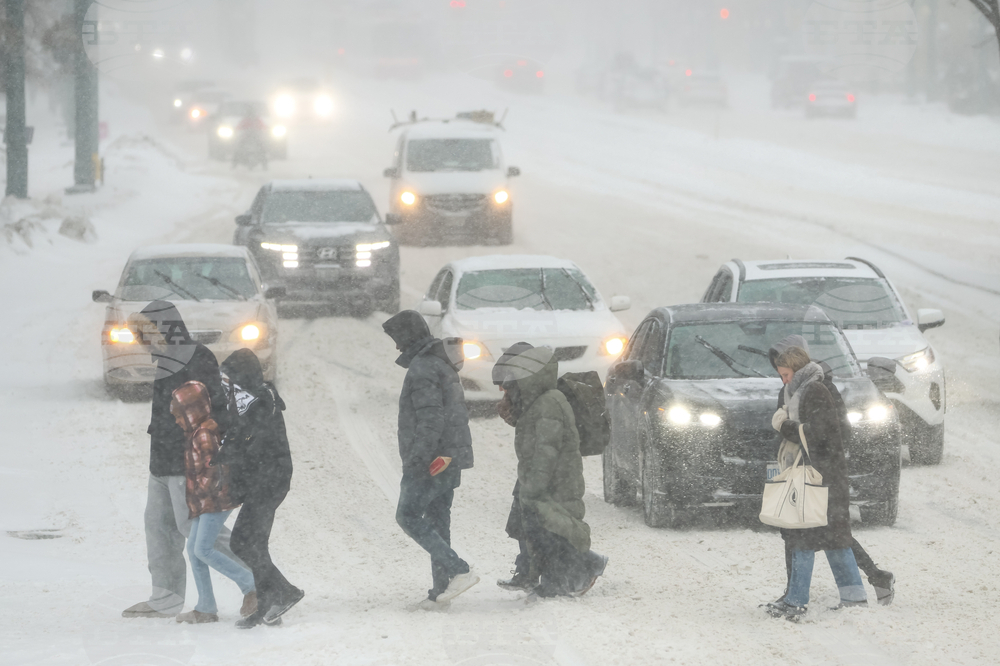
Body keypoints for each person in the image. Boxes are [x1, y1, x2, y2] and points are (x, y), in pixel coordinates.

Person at [121, 301, 249, 619]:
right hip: (161, 461)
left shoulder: (197, 357)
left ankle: (262, 582)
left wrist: (207, 456)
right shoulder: (163, 359)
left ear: (167, 330)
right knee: (160, 529)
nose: (143, 341)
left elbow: (214, 409)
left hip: (187, 462)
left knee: (201, 533)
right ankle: (165, 597)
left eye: (146, 333)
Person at [768, 335, 896, 606]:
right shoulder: (793, 390)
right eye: (779, 373)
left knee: (806, 536)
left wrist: (786, 428)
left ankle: (796, 598)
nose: (783, 380)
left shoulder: (816, 389)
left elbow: (830, 432)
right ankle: (860, 591)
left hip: (819, 474)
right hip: (807, 471)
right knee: (831, 536)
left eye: (785, 373)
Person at [493, 343, 607, 595]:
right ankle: (542, 575)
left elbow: (547, 448)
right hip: (543, 475)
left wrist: (535, 484)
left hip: (555, 477)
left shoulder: (548, 401)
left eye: (509, 383)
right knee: (540, 525)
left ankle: (566, 575)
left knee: (553, 528)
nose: (506, 389)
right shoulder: (536, 399)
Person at [382, 310, 478, 608]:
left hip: (431, 459)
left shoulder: (423, 368)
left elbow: (430, 419)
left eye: (398, 340)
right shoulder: (440, 363)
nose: (397, 347)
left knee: (407, 515)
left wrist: (417, 459)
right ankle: (442, 591)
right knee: (437, 520)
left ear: (408, 337)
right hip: (448, 456)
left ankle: (458, 570)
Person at [218, 349, 303, 628]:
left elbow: (250, 443)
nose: (228, 383)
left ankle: (285, 592)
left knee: (242, 542)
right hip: (263, 480)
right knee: (252, 543)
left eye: (231, 377)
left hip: (269, 480)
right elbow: (239, 438)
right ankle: (268, 603)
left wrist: (227, 455)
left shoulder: (260, 402)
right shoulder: (249, 400)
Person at [170, 381, 256, 624]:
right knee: (195, 551)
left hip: (215, 501)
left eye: (178, 415)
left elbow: (215, 470)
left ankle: (251, 585)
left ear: (190, 411)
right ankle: (206, 606)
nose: (176, 421)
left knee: (203, 549)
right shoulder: (196, 432)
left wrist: (204, 493)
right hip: (205, 503)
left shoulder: (204, 434)